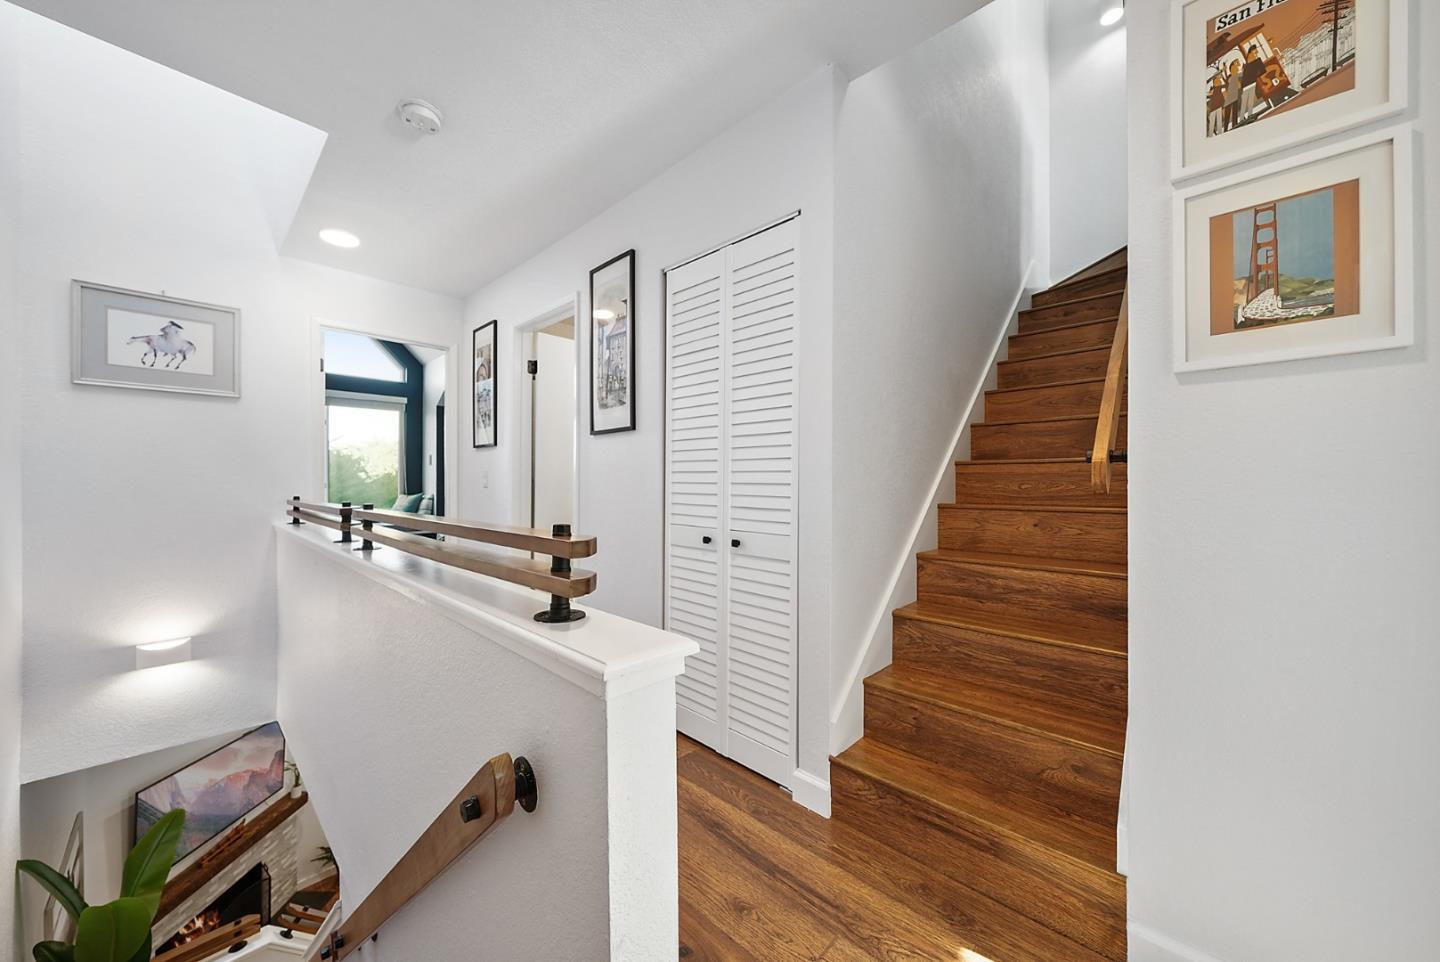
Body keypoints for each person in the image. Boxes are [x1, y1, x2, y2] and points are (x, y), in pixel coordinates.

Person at [1239, 44, 1266, 124]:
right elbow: (1259, 68)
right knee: (1246, 100)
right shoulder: (1253, 58)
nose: (1256, 51)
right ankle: (1242, 118)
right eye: (1255, 50)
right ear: (1251, 51)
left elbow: (1259, 69)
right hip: (1248, 81)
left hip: (1250, 81)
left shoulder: (1252, 58)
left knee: (1249, 99)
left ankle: (1248, 116)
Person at [1223, 60, 1244, 130]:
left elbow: (1239, 85)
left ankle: (1235, 124)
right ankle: (1227, 128)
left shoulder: (1234, 76)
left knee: (1235, 110)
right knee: (1228, 113)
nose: (1236, 69)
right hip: (1230, 97)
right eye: (1234, 68)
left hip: (1234, 96)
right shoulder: (1231, 77)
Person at [1207, 72, 1227, 136]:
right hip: (1213, 108)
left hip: (1218, 107)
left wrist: (1222, 77)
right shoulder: (1214, 89)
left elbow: (1227, 85)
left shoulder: (1218, 88)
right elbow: (1209, 96)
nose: (1219, 82)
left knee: (1219, 122)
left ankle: (1219, 134)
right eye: (1217, 81)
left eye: (1219, 81)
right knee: (1213, 123)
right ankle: (1212, 135)